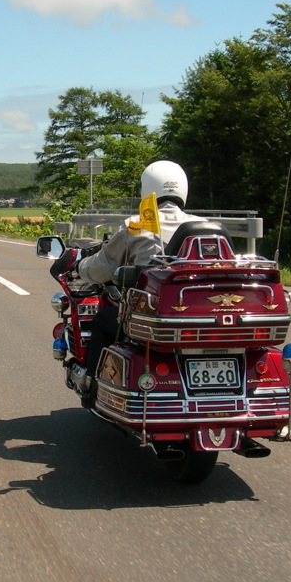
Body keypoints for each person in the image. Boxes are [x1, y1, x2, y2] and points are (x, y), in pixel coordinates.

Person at [70, 161, 205, 403]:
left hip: (153, 321)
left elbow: (102, 269)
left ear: (148, 188)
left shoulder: (137, 224)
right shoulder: (205, 227)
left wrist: (80, 267)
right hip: (202, 319)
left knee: (102, 320)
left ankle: (91, 387)